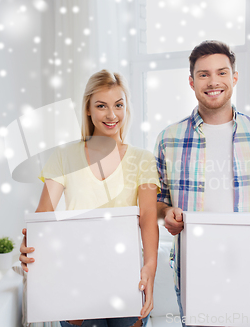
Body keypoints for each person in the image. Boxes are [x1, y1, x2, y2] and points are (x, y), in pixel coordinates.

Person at [154, 40, 250, 326]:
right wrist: (167, 214)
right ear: (191, 82)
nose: (213, 81)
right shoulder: (169, 138)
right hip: (195, 267)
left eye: (222, 72)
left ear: (234, 77)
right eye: (203, 74)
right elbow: (158, 200)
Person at [19, 69, 160, 327]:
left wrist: (150, 268)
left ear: (126, 108)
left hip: (126, 276)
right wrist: (29, 244)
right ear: (88, 109)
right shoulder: (63, 157)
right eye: (101, 106)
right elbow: (44, 215)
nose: (111, 115)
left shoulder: (142, 159)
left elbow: (148, 219)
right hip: (75, 277)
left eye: (118, 105)